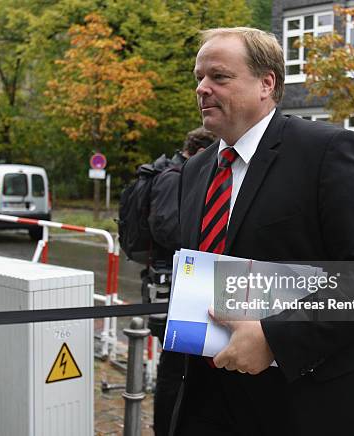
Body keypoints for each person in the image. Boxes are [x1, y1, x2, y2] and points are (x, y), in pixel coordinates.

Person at [172, 27, 354, 436]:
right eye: (199, 78)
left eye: (219, 77)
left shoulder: (327, 151)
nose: (203, 89)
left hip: (313, 405)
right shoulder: (196, 170)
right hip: (214, 403)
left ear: (267, 83)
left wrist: (275, 336)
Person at [147, 127, 215, 436]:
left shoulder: (181, 174)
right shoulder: (173, 177)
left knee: (184, 366)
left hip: (185, 282)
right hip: (171, 283)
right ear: (200, 151)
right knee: (174, 368)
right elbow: (165, 227)